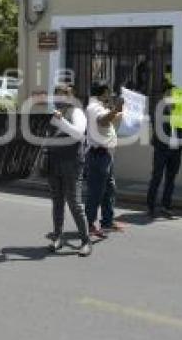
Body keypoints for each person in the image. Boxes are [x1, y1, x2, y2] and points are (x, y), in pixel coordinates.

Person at [46, 84, 91, 256]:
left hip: (72, 163)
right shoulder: (53, 114)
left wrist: (60, 121)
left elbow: (79, 133)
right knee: (57, 202)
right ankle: (57, 237)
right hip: (54, 162)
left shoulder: (76, 112)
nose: (57, 100)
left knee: (75, 203)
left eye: (61, 96)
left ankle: (85, 241)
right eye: (55, 96)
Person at [84, 81, 125, 238]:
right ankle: (88, 224)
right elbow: (102, 120)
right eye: (108, 92)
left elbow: (107, 119)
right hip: (98, 156)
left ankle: (107, 221)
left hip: (105, 155)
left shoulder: (98, 106)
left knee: (109, 189)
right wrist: (116, 109)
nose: (110, 95)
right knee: (96, 192)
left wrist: (119, 113)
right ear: (101, 93)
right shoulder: (94, 107)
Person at [147, 82, 182, 219]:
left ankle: (166, 206)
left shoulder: (180, 108)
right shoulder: (159, 107)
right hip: (162, 149)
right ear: (165, 94)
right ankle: (151, 206)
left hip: (176, 150)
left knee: (171, 179)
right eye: (172, 93)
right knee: (157, 177)